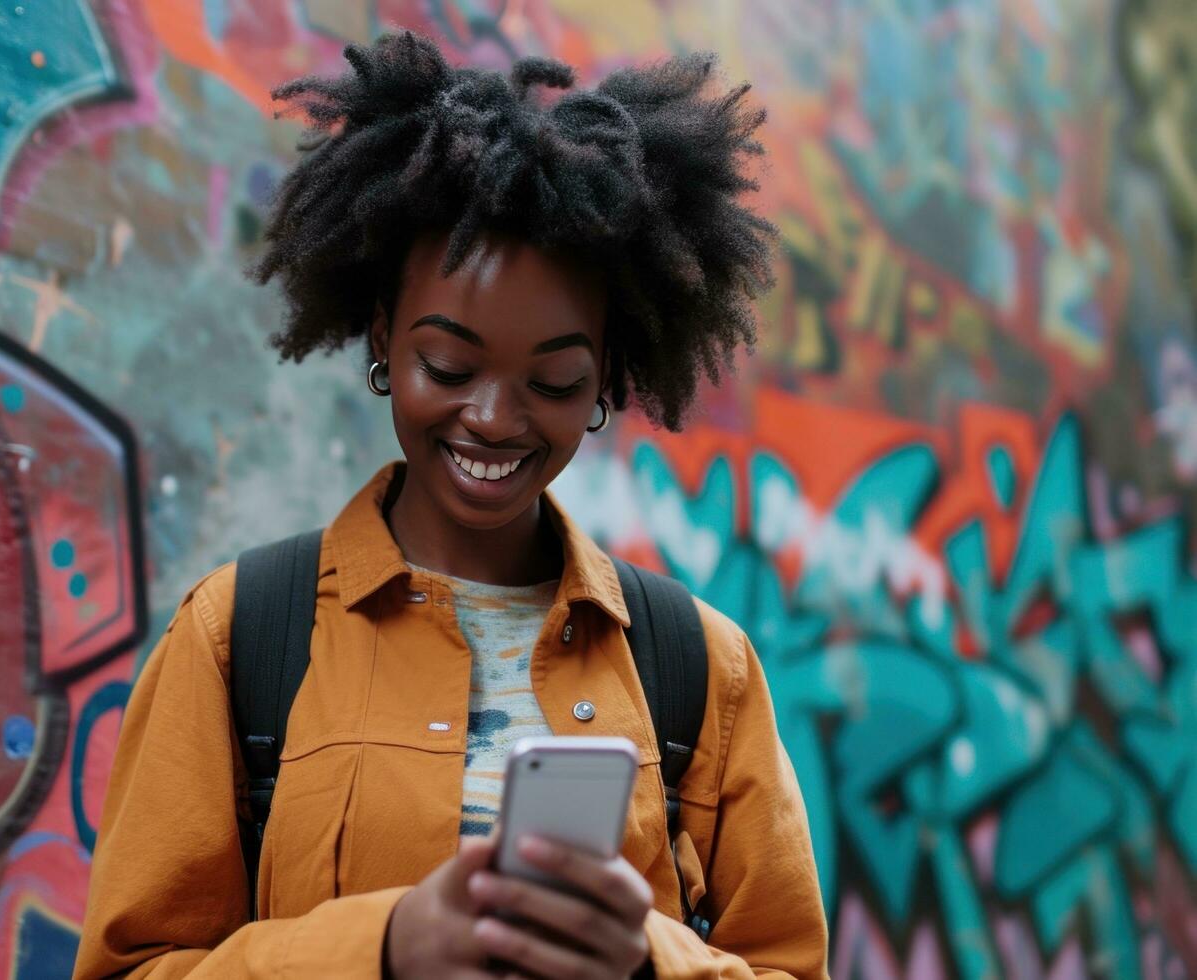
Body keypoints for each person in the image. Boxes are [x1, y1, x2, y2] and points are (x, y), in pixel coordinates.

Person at [74, 32, 828, 980]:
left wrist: (647, 960)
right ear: (384, 339)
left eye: (553, 382)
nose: (494, 419)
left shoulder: (695, 669)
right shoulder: (240, 638)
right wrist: (384, 949)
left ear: (605, 383)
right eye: (449, 366)